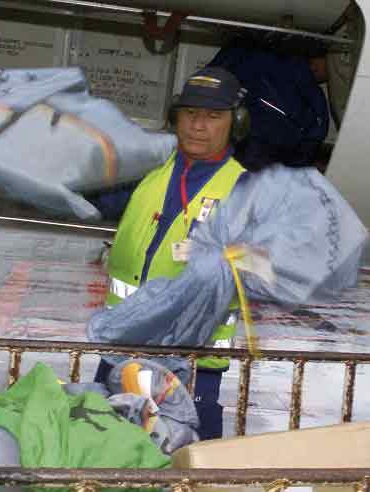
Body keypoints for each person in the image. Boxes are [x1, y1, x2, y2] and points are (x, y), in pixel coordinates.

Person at [92, 66, 249, 440]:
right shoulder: (147, 166)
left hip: (191, 357)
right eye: (191, 113)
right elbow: (94, 198)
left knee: (182, 456)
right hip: (123, 342)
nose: (199, 125)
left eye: (214, 117)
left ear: (235, 123)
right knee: (102, 443)